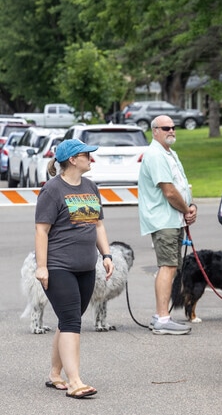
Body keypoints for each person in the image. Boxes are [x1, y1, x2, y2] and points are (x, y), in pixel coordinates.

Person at [35, 139, 115, 399]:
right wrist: (42, 267)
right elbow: (41, 230)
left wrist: (106, 254)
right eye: (87, 155)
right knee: (71, 321)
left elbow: (98, 225)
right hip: (59, 267)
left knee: (68, 320)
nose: (91, 159)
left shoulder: (90, 187)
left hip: (86, 267)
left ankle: (55, 374)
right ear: (72, 159)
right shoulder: (53, 190)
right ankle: (75, 381)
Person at [138, 115, 198, 335]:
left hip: (173, 218)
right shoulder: (155, 155)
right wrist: (186, 209)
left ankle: (161, 316)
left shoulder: (170, 153)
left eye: (173, 127)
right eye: (166, 128)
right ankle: (162, 318)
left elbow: (181, 186)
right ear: (155, 131)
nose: (171, 131)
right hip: (163, 219)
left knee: (171, 266)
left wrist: (191, 206)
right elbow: (169, 191)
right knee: (167, 266)